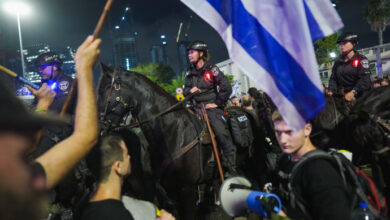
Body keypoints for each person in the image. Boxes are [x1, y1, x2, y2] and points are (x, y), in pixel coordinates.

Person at [0, 35, 100, 220]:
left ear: (55, 65)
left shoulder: (68, 84)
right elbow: (85, 135)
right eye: (39, 68)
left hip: (64, 130)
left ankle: (65, 201)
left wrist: (44, 104)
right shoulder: (44, 85)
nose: (41, 71)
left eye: (43, 67)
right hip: (49, 129)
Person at [271, 111, 351, 220]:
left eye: (289, 132)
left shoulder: (320, 171)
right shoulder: (284, 160)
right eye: (278, 132)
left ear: (307, 130)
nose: (282, 140)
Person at [80, 135, 175, 220]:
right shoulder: (131, 213)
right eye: (126, 154)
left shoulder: (82, 205)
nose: (129, 157)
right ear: (118, 167)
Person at [183, 40, 237, 175]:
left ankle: (231, 165)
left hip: (211, 107)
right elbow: (185, 92)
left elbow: (226, 87)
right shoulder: (189, 72)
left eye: (192, 52)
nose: (189, 55)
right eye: (188, 53)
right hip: (195, 108)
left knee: (220, 132)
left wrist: (218, 103)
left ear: (201, 53)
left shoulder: (212, 69)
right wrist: (190, 91)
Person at [328, 32, 372, 101]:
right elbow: (333, 78)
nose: (341, 45)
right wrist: (331, 90)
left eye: (344, 43)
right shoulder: (338, 62)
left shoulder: (362, 59)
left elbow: (365, 80)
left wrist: (353, 92)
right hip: (342, 96)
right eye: (340, 44)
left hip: (360, 96)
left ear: (353, 44)